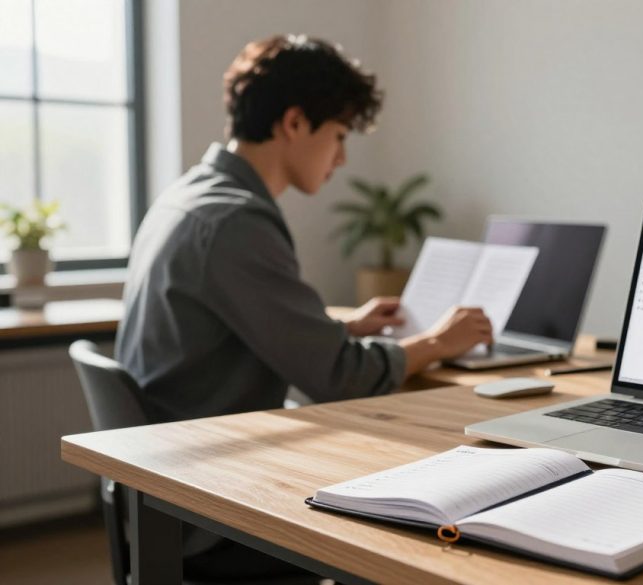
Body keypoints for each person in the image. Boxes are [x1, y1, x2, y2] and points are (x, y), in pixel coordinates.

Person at [115, 34, 492, 580]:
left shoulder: (192, 197)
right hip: (207, 506)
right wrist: (436, 343)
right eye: (338, 135)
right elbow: (339, 376)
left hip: (173, 479)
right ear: (294, 123)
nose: (340, 158)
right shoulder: (234, 221)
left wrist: (342, 323)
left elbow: (231, 325)